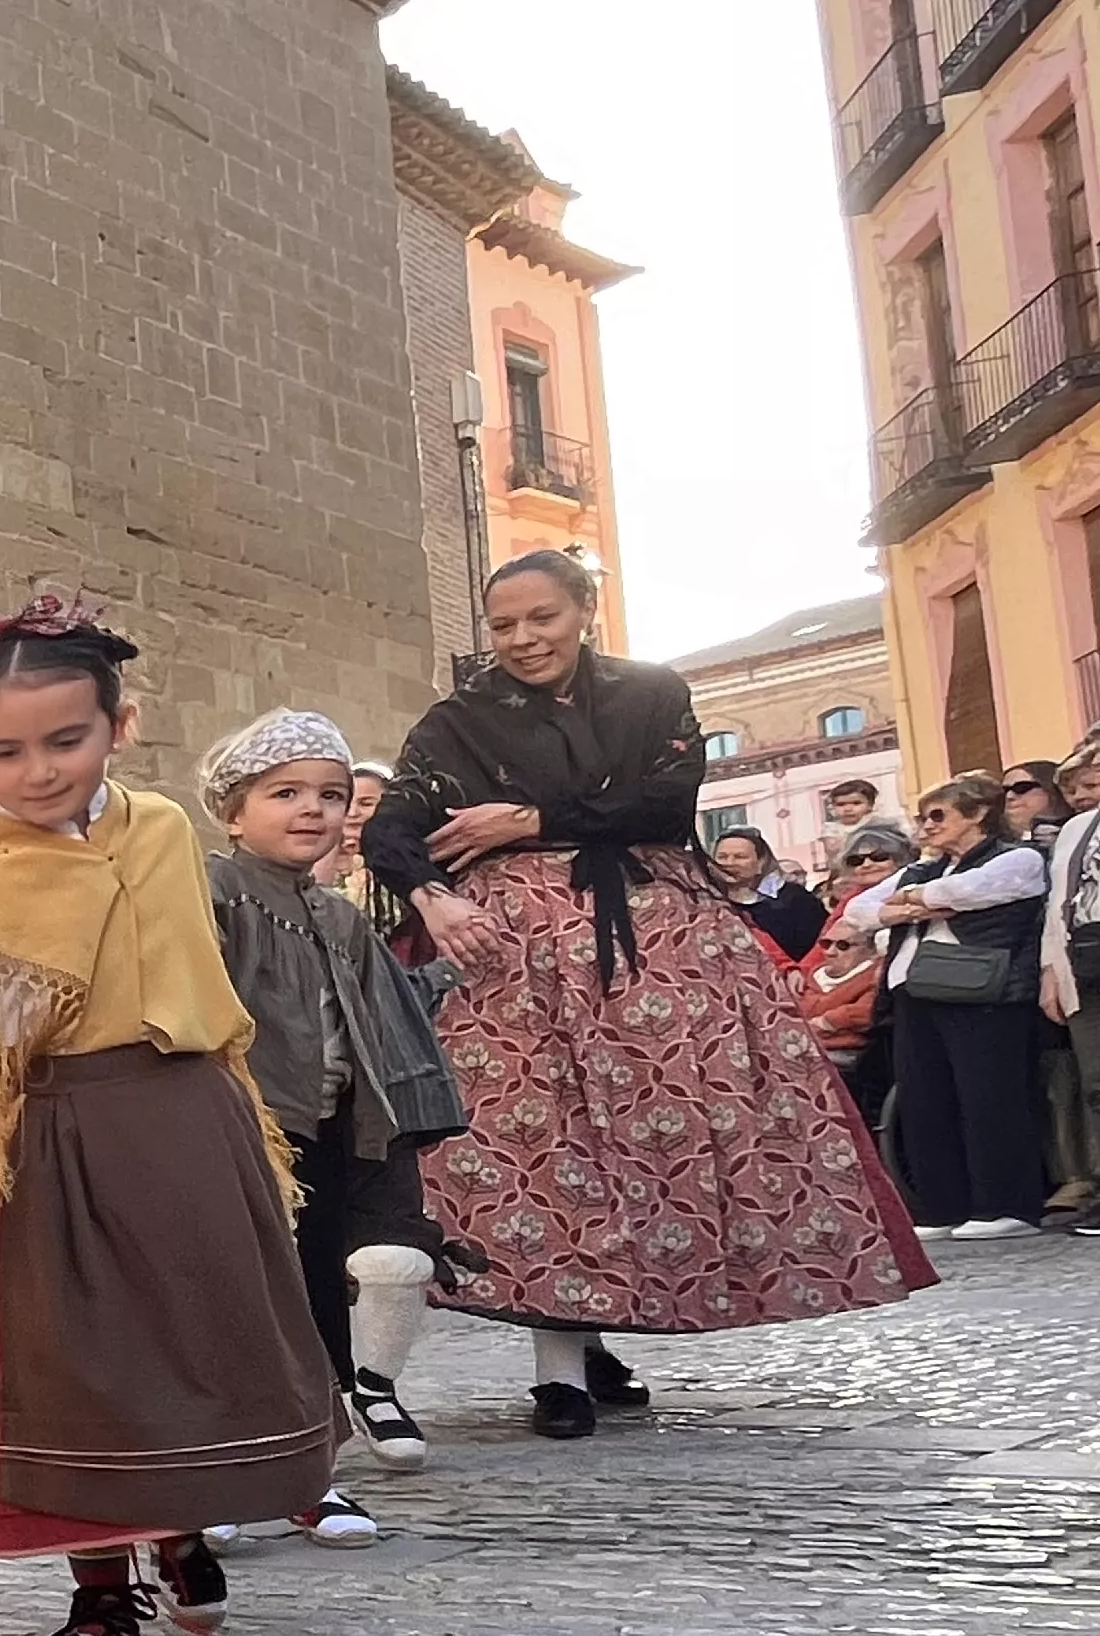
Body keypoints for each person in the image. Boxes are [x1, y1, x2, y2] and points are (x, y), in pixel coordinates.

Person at [366, 552, 922, 1440]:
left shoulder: (650, 693)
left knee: (654, 1150)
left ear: (584, 610)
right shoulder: (456, 723)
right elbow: (391, 829)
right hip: (520, 967)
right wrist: (433, 893)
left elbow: (667, 801)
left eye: (541, 617)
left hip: (663, 960)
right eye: (504, 625)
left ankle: (594, 1336)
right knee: (541, 1152)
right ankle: (560, 1370)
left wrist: (530, 820)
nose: (522, 638)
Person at [0, 602, 332, 1636]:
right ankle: (99, 1594)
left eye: (65, 740)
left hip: (182, 1118)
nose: (38, 769)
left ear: (119, 726)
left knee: (193, 1339)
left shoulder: (168, 831)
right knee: (70, 1364)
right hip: (48, 1140)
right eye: (6, 749)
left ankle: (181, 1531)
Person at [200, 710, 467, 1512]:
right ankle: (220, 1466)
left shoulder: (341, 917)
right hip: (243, 1128)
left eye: (330, 793)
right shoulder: (211, 892)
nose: (312, 809)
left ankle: (310, 1465)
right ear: (233, 810)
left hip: (323, 1130)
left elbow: (376, 1023)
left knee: (317, 1289)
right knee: (239, 1295)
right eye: (285, 792)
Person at [842, 773, 1052, 1235]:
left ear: (978, 814)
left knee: (989, 1098)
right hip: (916, 991)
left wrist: (915, 902)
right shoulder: (922, 867)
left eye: (938, 816)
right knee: (925, 1101)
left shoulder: (1018, 857)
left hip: (983, 992)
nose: (927, 826)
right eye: (922, 817)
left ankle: (1006, 1206)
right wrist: (920, 903)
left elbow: (970, 891)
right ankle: (943, 1207)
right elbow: (857, 913)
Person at [803, 827, 913, 1142]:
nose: (867, 864)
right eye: (856, 859)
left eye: (879, 856)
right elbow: (823, 951)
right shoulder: (849, 904)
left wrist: (827, 1018)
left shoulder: (914, 890)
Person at [1048, 743, 1100, 1227]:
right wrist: (1052, 971)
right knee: (1096, 1079)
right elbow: (1060, 901)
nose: (1085, 793)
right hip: (1087, 955)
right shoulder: (1076, 830)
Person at [710, 826, 828, 960]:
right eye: (722, 857)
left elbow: (818, 946)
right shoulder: (705, 901)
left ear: (761, 862)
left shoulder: (796, 899)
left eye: (740, 857)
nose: (729, 863)